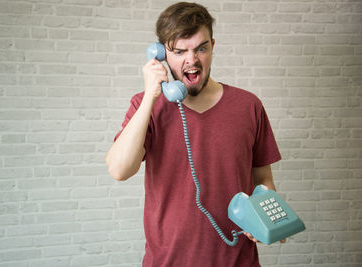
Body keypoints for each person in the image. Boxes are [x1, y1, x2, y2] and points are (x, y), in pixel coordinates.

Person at [106, 2, 282, 266]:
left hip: (237, 259)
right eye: (179, 51)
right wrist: (150, 98)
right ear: (161, 54)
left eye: (201, 48)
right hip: (168, 261)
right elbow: (119, 170)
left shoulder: (249, 106)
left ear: (213, 45)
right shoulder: (146, 106)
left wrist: (263, 218)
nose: (192, 60)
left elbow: (263, 179)